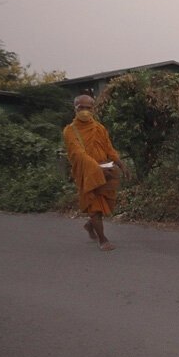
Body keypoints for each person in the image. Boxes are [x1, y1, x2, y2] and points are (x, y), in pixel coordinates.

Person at [63, 94, 130, 251]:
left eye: (88, 108)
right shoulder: (69, 131)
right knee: (95, 207)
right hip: (88, 174)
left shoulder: (99, 128)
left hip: (106, 171)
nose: (85, 111)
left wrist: (122, 165)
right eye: (81, 108)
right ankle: (103, 239)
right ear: (75, 109)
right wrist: (96, 168)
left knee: (108, 203)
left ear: (93, 109)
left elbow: (109, 149)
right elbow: (78, 153)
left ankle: (89, 225)